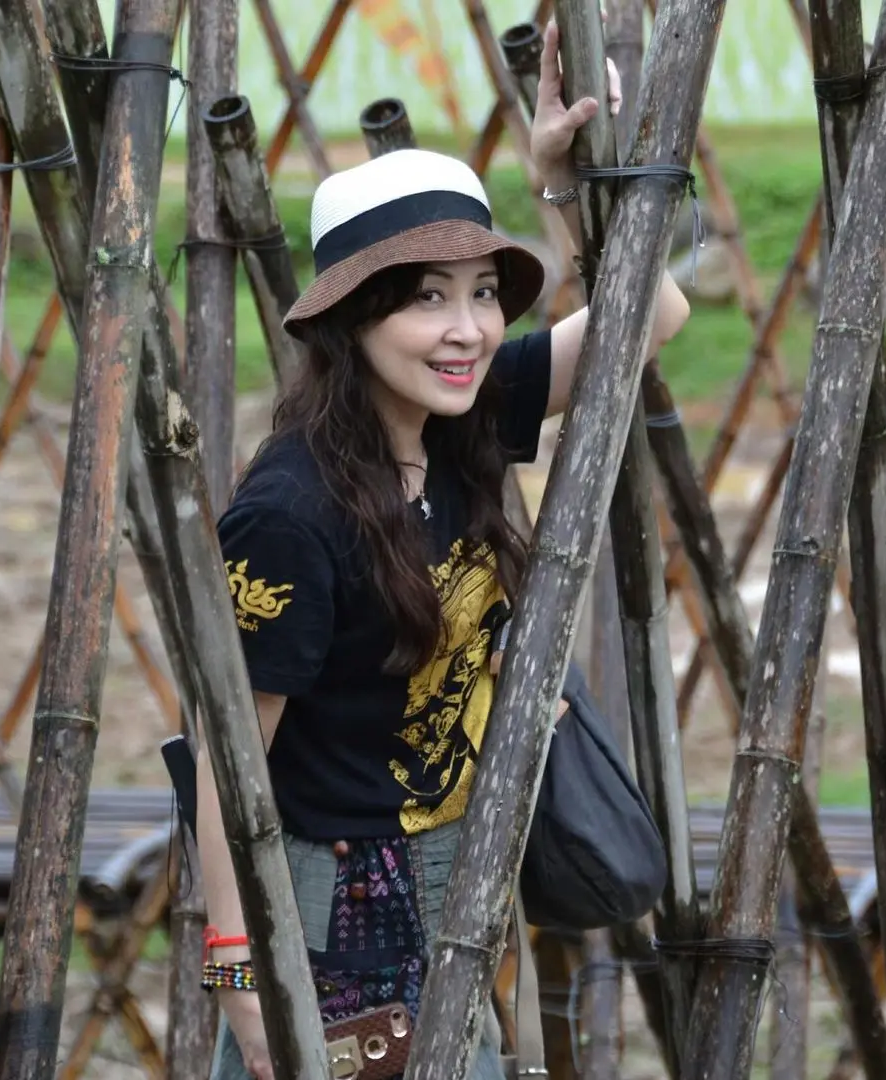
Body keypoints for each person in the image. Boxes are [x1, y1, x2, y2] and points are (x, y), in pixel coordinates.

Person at [198, 20, 690, 1080]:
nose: (467, 329)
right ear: (350, 316)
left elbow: (653, 313)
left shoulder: (461, 419)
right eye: (426, 297)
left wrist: (561, 183)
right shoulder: (289, 514)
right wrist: (237, 976)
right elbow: (226, 764)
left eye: (480, 293)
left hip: (454, 883)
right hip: (336, 919)